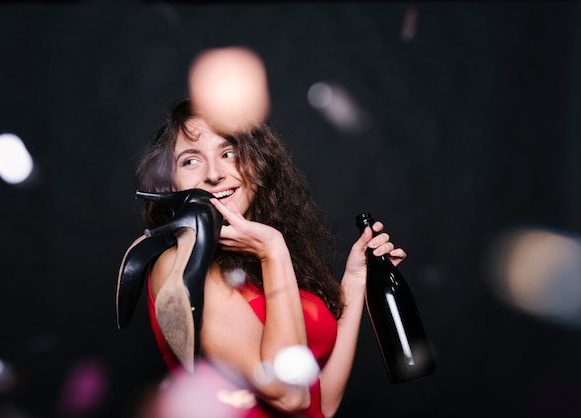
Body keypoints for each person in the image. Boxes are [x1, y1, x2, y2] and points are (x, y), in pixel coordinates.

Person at [132, 96, 407, 418]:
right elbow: (289, 396)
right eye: (190, 161)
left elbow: (323, 404)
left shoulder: (260, 263)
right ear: (170, 183)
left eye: (229, 153)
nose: (214, 174)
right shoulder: (182, 264)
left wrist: (356, 281)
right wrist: (273, 251)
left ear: (257, 165)